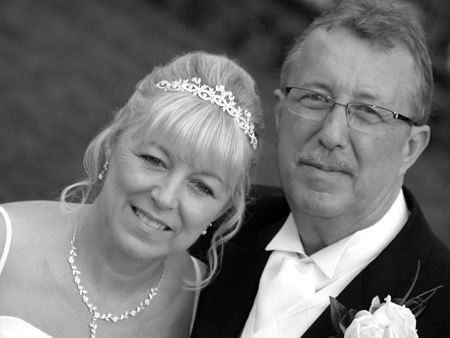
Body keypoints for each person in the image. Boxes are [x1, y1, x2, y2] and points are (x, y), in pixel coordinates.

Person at [190, 1, 450, 337]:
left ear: (410, 148)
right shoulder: (212, 223)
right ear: (281, 115)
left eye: (368, 111)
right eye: (315, 97)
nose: (331, 134)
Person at [0, 51, 263, 338]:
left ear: (223, 208)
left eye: (202, 187)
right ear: (113, 142)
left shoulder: (216, 315)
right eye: (154, 161)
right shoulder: (6, 245)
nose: (165, 197)